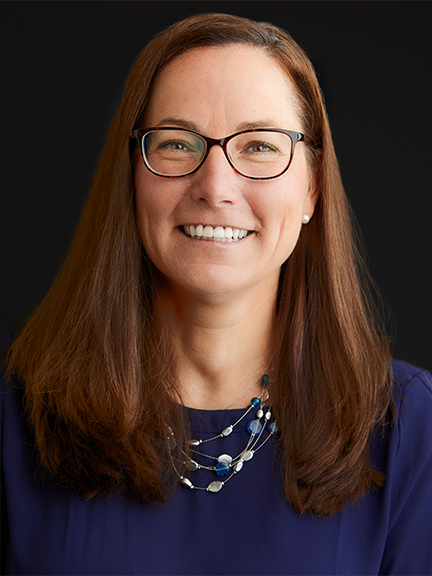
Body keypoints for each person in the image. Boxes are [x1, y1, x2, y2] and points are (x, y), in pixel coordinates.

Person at [1, 12, 431, 576]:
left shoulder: (409, 428)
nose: (216, 186)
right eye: (179, 143)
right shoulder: (13, 410)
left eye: (259, 146)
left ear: (313, 187)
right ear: (130, 174)